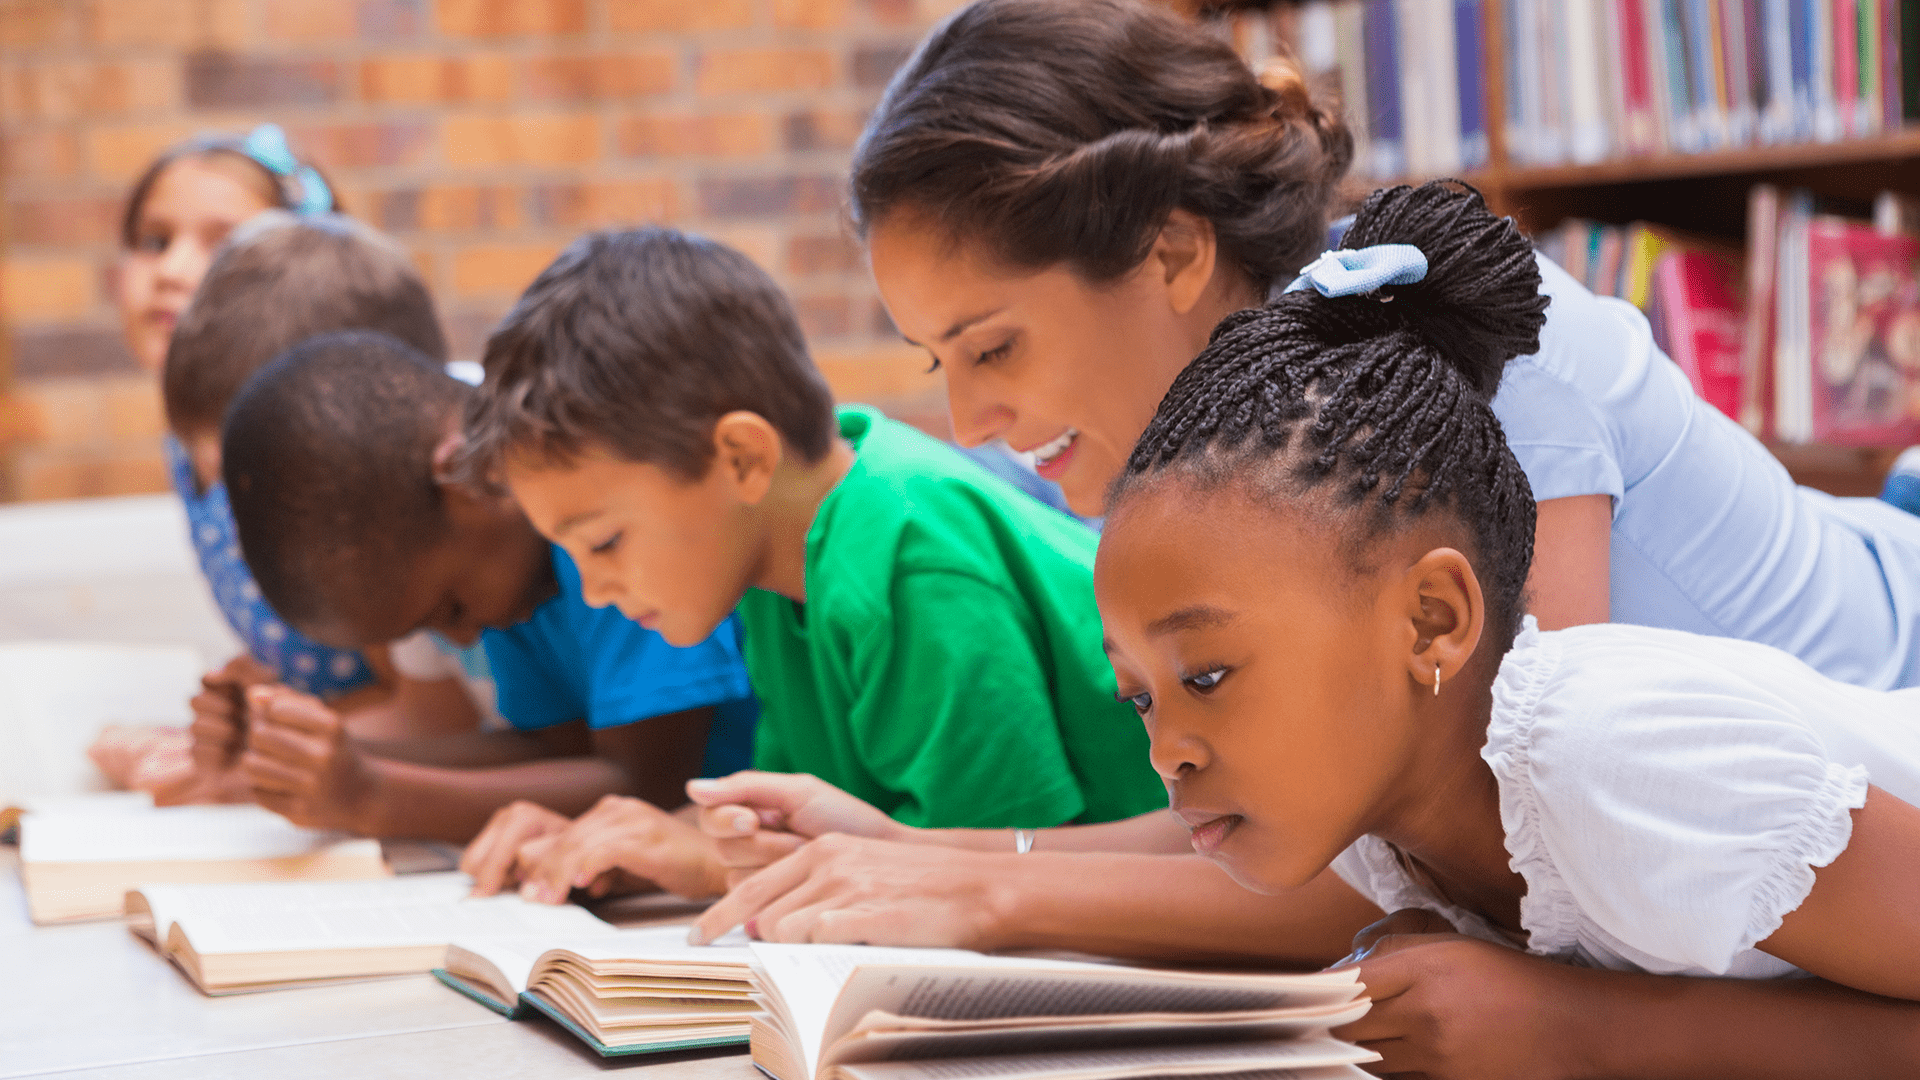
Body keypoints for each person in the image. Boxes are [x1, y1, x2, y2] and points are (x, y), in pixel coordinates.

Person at [686, 0, 1920, 953]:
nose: (966, 419)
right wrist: (926, 854)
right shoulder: (1232, 472)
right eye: (937, 361)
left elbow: (1496, 839)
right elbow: (1331, 825)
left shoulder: (1452, 361)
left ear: (1172, 250)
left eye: (993, 346)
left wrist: (985, 892)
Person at [449, 228, 1166, 903]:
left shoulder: (909, 555)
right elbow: (804, 827)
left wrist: (715, 866)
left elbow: (973, 880)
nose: (595, 591)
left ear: (742, 459)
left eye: (604, 543)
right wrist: (621, 844)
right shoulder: (774, 563)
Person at [211, 330, 758, 843]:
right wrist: (322, 759)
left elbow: (650, 784)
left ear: (465, 485)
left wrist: (375, 798)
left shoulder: (601, 530)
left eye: (450, 608)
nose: (466, 637)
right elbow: (552, 747)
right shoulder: (512, 572)